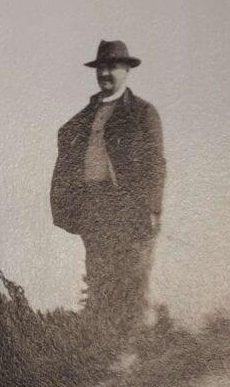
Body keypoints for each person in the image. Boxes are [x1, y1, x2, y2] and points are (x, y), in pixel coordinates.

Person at [50, 40, 166, 359]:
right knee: (100, 278)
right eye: (101, 67)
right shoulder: (83, 119)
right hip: (94, 207)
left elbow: (156, 163)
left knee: (129, 276)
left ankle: (132, 354)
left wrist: (153, 207)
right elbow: (66, 145)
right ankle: (106, 355)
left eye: (113, 67)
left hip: (130, 207)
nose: (106, 73)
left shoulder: (142, 113)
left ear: (127, 71)